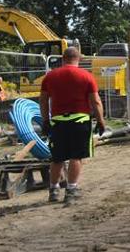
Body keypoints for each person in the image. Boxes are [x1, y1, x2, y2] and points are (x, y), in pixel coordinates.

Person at [40, 47, 105, 205]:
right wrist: (101, 121)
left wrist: (45, 121)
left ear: (63, 58)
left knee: (57, 158)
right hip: (80, 121)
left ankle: (54, 191)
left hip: (58, 122)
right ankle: (71, 190)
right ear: (79, 59)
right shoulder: (86, 76)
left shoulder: (50, 76)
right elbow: (95, 102)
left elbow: (42, 100)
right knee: (76, 156)